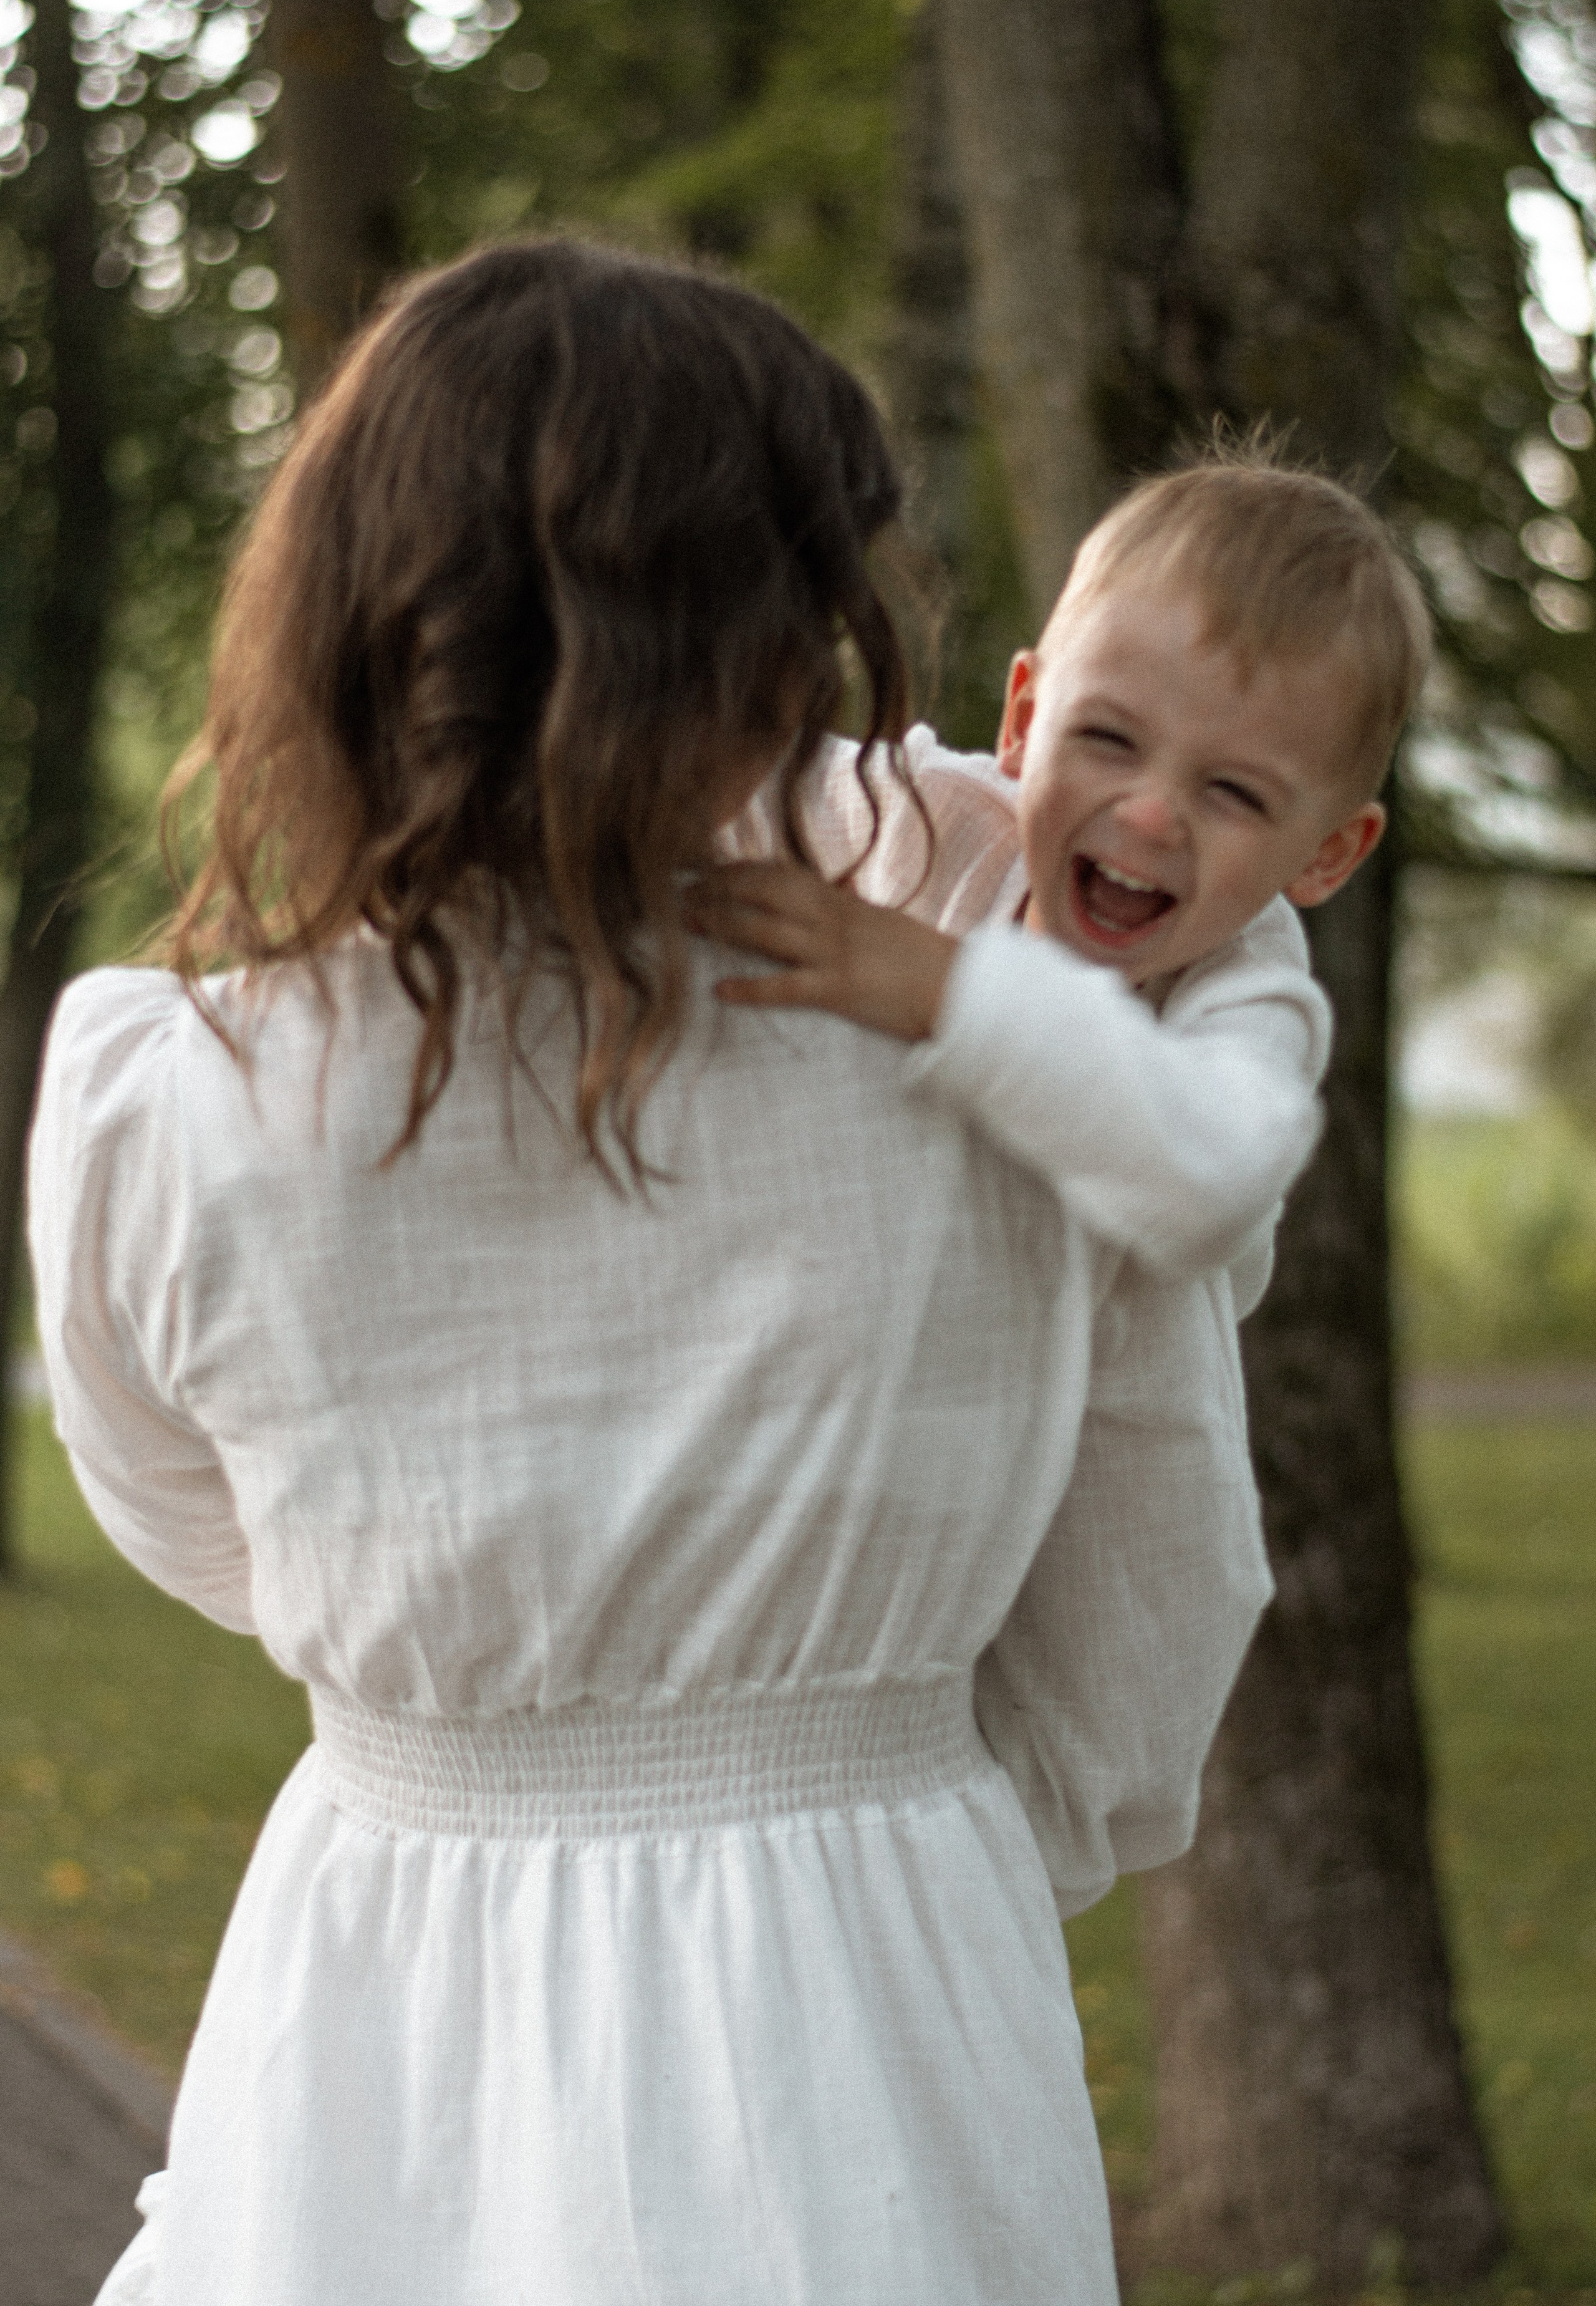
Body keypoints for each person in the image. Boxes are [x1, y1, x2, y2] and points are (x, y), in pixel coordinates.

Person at [31, 242, 1269, 2306]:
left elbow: (175, 1499)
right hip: (880, 1984)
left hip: (390, 1974)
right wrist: (904, 1818)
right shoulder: (1012, 1061)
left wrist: (475, 1680)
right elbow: (1159, 1579)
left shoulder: (175, 1094)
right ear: (786, 635)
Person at [698, 455, 1428, 1904]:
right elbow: (721, 800)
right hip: (900, 1377)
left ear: (1324, 856)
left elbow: (1210, 1173)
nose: (1150, 818)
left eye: (1231, 793)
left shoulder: (1245, 992)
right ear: (1023, 715)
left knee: (1145, 1618)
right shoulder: (931, 822)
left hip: (1108, 1403)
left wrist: (944, 991)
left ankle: (1017, 1854)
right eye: (1106, 741)